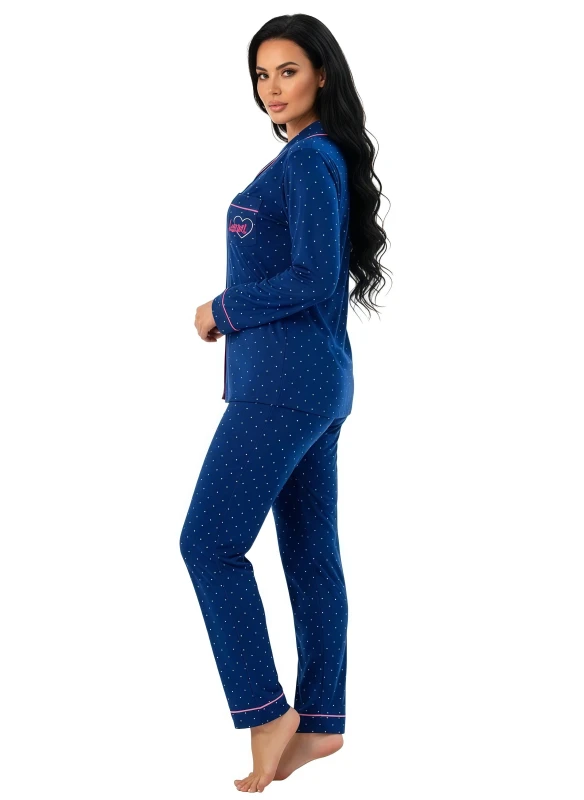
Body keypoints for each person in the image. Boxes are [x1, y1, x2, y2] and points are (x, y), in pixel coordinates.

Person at [180, 13, 390, 794]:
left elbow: (311, 276)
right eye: (262, 75)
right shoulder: (316, 157)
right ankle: (322, 721)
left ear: (322, 74)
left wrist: (221, 310)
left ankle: (267, 711)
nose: (272, 88)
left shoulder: (307, 161)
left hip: (284, 387)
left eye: (288, 71)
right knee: (309, 553)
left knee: (208, 544)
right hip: (313, 385)